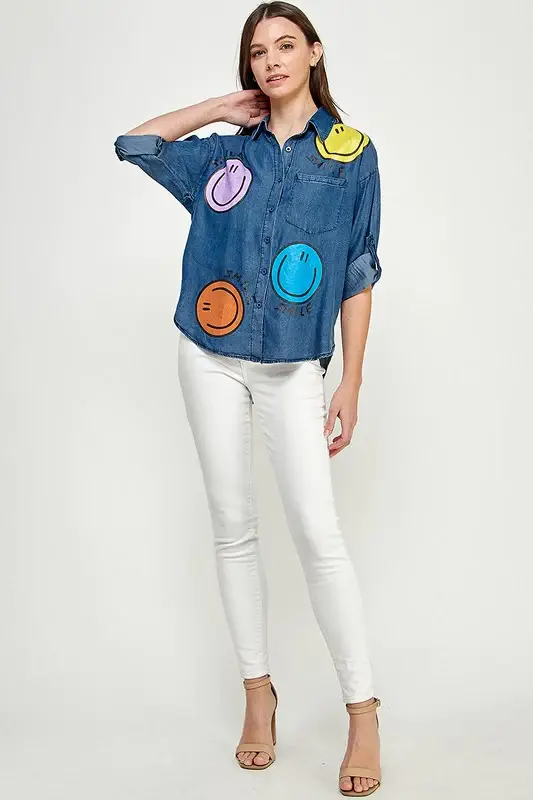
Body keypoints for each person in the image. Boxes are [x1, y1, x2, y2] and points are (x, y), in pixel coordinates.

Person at [113, 2, 383, 795]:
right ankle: (257, 694)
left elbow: (358, 269)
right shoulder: (224, 156)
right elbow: (134, 143)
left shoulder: (350, 154)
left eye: (285, 45)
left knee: (317, 535)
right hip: (207, 354)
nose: (271, 61)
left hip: (294, 363)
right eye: (258, 52)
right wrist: (217, 108)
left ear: (314, 52)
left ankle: (362, 712)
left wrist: (350, 379)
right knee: (233, 526)